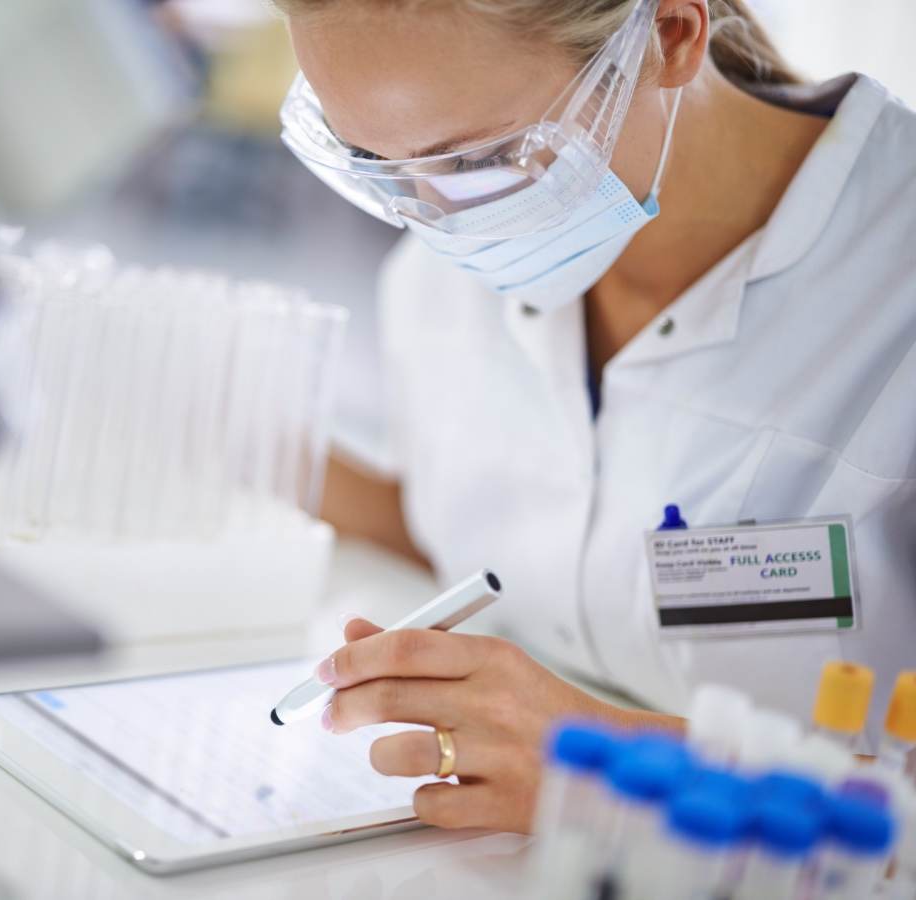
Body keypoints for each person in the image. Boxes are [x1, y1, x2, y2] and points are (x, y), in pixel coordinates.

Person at [275, 0, 916, 832]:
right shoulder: (443, 274)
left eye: (488, 158)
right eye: (373, 163)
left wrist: (611, 766)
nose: (438, 220)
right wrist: (248, 442)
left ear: (670, 38)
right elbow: (525, 531)